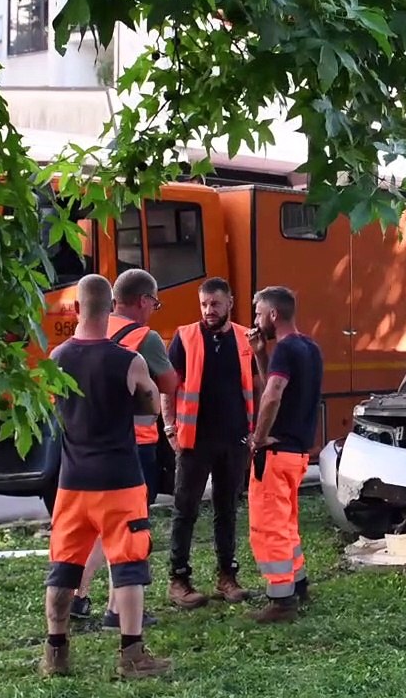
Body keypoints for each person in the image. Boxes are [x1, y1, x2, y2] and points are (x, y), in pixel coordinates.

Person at [41, 274, 171, 679]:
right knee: (128, 565)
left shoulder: (57, 358)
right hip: (121, 480)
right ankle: (132, 655)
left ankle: (56, 652)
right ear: (111, 308)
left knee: (64, 566)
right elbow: (151, 407)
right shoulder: (128, 361)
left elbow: (55, 405)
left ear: (77, 309)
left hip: (73, 482)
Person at [70, 268, 178, 628]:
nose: (153, 311)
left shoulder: (88, 328)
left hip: (90, 441)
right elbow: (168, 384)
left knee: (100, 526)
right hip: (135, 445)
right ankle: (118, 610)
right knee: (129, 528)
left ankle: (78, 594)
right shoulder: (145, 338)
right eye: (154, 304)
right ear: (143, 301)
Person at [161, 277, 259, 607]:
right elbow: (168, 386)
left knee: (227, 510)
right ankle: (178, 580)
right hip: (194, 441)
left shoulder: (245, 338)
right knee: (185, 510)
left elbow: (256, 384)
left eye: (215, 304)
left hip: (234, 440)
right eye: (204, 304)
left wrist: (253, 432)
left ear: (230, 302)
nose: (208, 310)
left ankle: (227, 577)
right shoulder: (185, 336)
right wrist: (170, 428)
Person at [245, 286, 323, 624]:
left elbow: (273, 394)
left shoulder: (286, 349)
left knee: (269, 527)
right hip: (297, 453)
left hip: (275, 454)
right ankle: (298, 583)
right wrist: (260, 355)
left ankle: (281, 599)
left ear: (273, 314)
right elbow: (277, 385)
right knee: (287, 523)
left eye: (258, 313)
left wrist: (258, 438)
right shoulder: (309, 348)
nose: (255, 321)